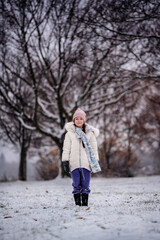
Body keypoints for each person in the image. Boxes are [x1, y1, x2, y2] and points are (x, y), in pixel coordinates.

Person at [62, 108, 101, 206]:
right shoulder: (69, 134)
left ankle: (84, 203)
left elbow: (94, 148)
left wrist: (95, 160)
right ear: (74, 120)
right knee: (76, 184)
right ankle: (77, 204)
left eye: (81, 119)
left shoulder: (89, 133)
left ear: (84, 120)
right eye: (76, 119)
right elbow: (66, 149)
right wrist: (65, 161)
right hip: (74, 164)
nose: (79, 121)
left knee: (85, 184)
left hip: (86, 164)